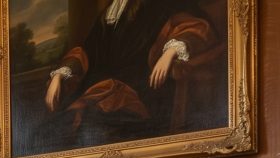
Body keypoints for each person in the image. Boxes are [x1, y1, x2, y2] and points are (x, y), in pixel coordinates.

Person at [41, 0, 218, 150]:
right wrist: (60, 75)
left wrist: (171, 51)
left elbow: (197, 26)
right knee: (52, 130)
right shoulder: (109, 14)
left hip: (141, 93)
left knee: (91, 125)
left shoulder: (159, 4)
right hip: (102, 90)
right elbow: (86, 52)